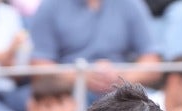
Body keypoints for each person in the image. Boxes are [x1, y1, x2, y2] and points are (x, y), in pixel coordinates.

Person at [28, 0, 162, 94]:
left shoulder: (130, 4)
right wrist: (79, 77)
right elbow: (39, 66)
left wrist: (121, 78)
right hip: (68, 94)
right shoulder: (50, 5)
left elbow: (152, 61)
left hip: (121, 94)